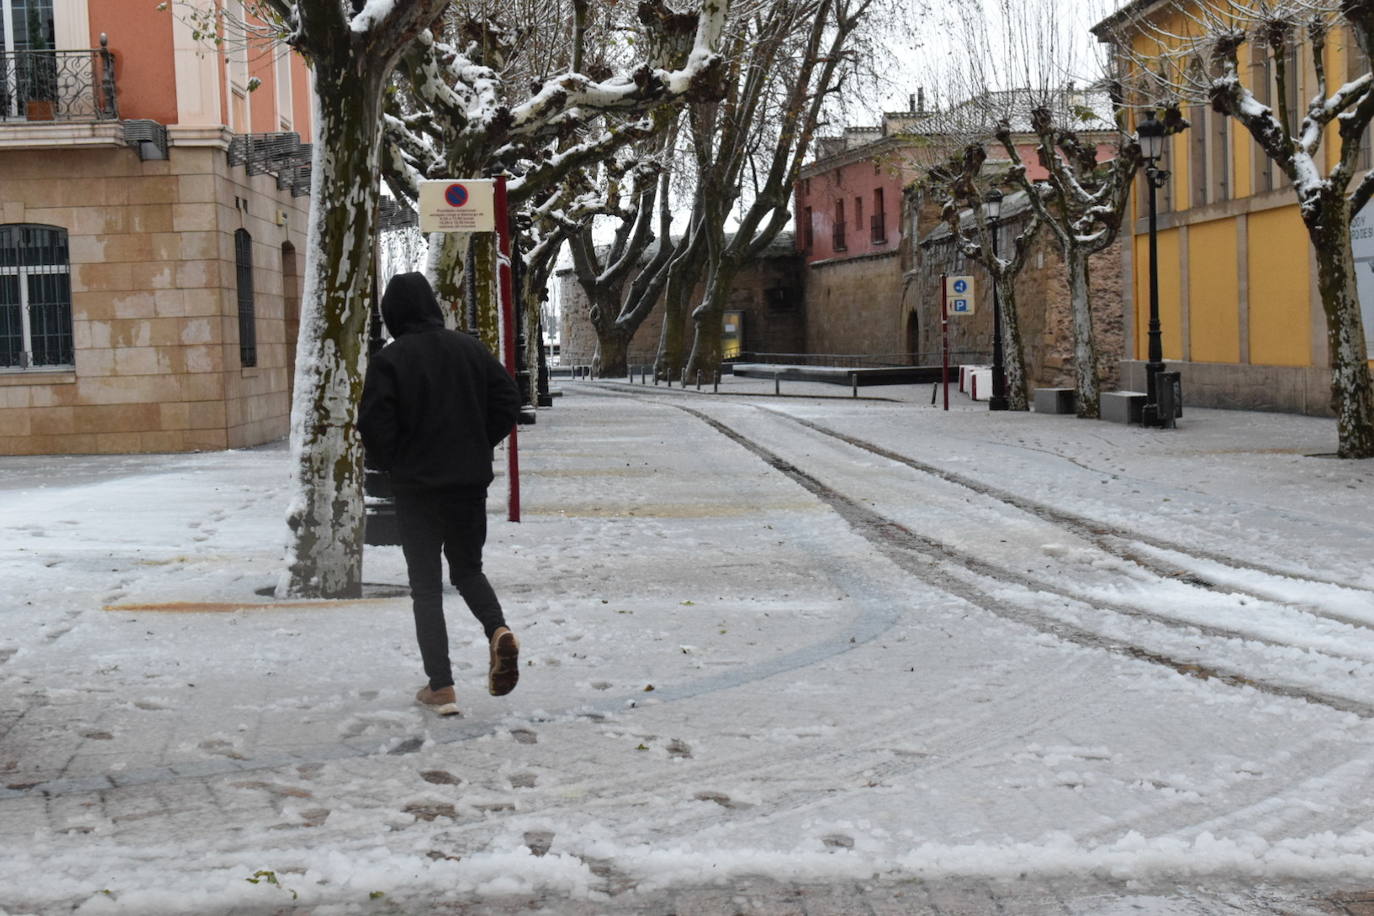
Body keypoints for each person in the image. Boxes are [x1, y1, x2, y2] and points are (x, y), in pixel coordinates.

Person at [358, 272, 523, 716]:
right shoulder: (470, 349)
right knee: (468, 570)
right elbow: (508, 399)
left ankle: (442, 687)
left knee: (426, 588)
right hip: (467, 485)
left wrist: (397, 460)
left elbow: (374, 425)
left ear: (392, 315)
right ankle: (497, 630)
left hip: (417, 491)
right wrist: (476, 442)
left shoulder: (389, 361)